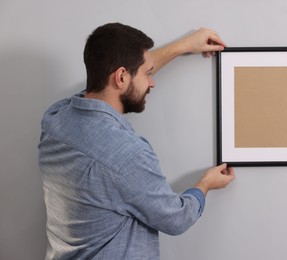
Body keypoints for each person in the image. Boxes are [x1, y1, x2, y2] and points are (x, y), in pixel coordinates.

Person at [38, 22, 235, 260]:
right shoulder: (127, 155)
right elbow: (176, 218)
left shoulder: (55, 119)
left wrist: (183, 46)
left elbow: (120, 80)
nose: (152, 83)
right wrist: (205, 185)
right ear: (121, 76)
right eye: (148, 74)